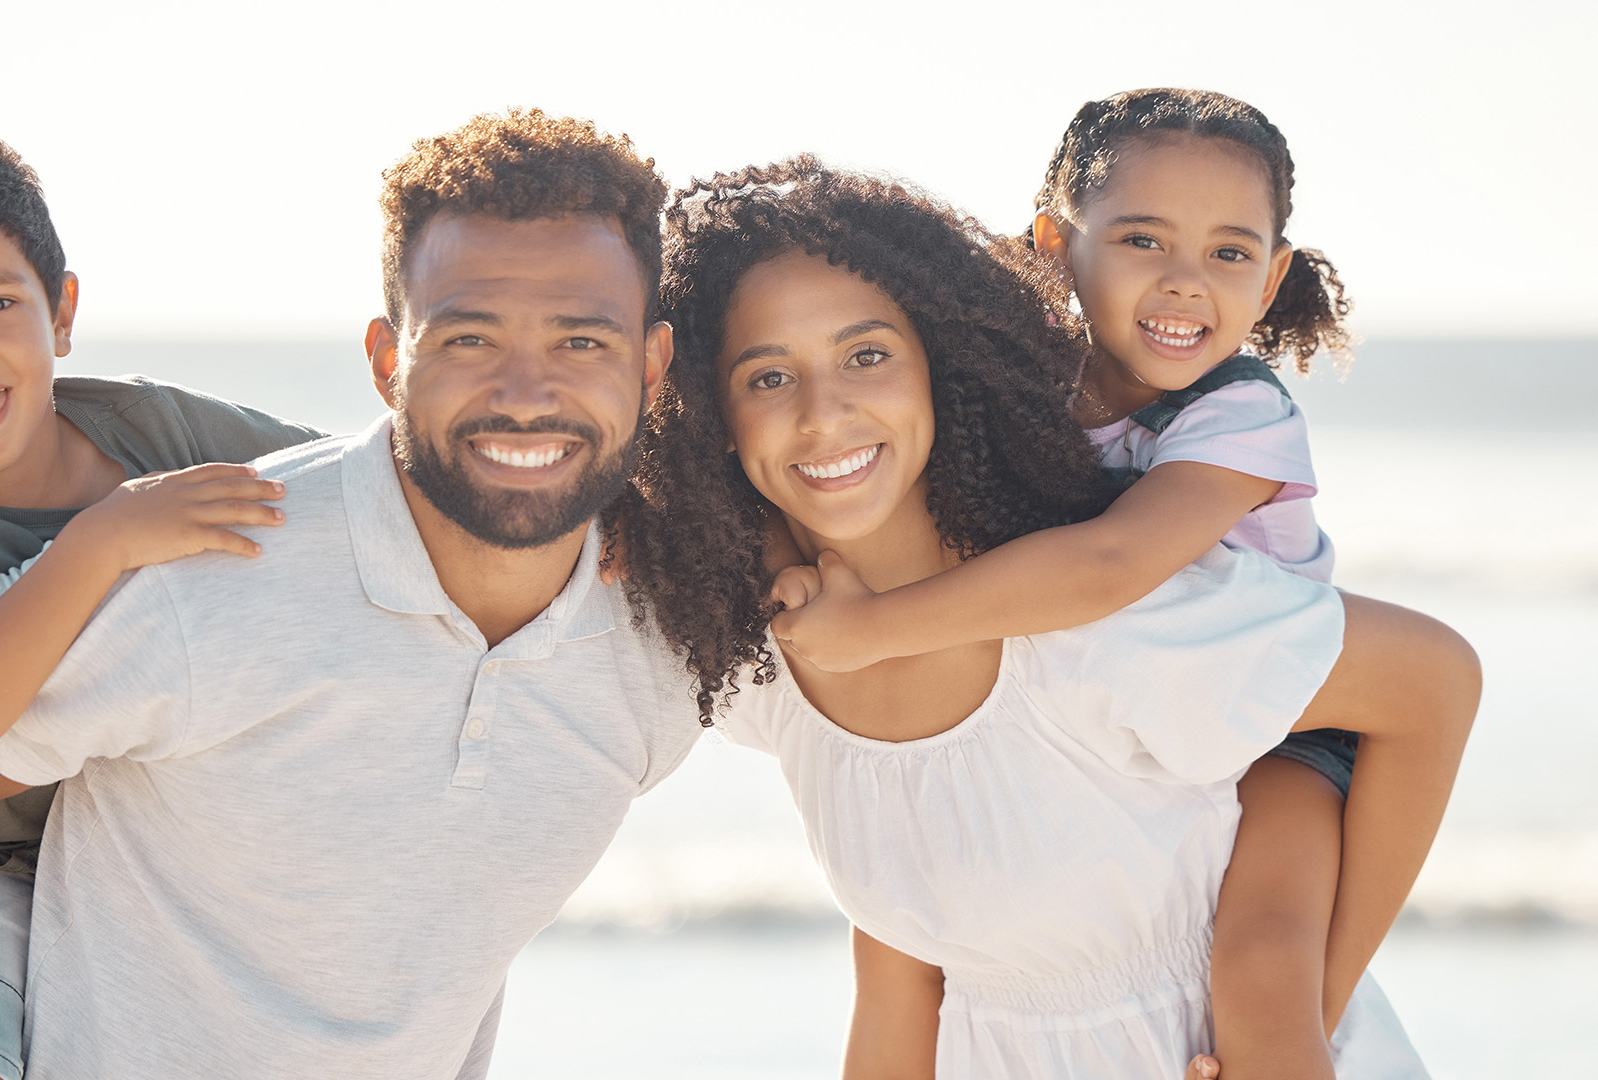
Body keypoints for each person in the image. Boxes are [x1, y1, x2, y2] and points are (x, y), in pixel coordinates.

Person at [0, 109, 701, 1079]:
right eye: (467, 338)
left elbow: (356, 477)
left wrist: (581, 499)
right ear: (390, 362)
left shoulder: (675, 635)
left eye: (583, 342)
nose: (525, 388)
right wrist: (104, 538)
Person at [617, 158, 1478, 1078]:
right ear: (707, 413)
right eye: (766, 378)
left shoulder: (1103, 621)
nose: (825, 414)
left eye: (868, 355)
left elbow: (1432, 679)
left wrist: (1310, 1004)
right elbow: (900, 975)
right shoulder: (766, 662)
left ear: (943, 367)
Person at [0, 121, 323, 1080]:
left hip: (159, 830)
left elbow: (344, 490)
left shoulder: (149, 427)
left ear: (61, 311)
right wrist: (105, 537)